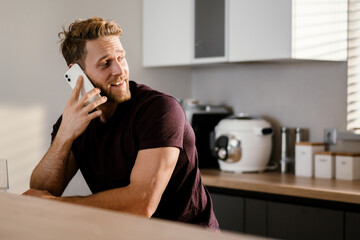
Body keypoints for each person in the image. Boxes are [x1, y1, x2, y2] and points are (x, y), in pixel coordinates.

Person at [23, 16, 219, 229]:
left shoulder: (159, 110)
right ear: (77, 73)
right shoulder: (75, 120)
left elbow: (141, 204)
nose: (120, 71)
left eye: (121, 58)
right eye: (106, 63)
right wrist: (64, 136)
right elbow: (40, 192)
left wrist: (57, 206)